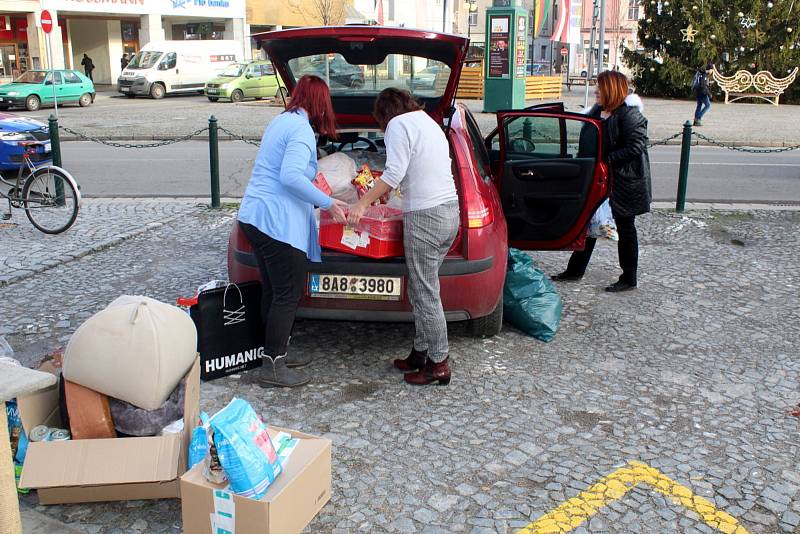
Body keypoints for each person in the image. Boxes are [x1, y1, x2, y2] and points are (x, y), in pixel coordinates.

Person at [237, 75, 347, 388]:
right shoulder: (301, 130)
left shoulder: (281, 121)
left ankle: (275, 352)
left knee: (273, 290)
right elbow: (290, 177)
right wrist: (328, 203)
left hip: (255, 216)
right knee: (287, 293)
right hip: (277, 223)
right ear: (320, 102)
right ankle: (273, 366)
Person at [348, 88, 460, 386]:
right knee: (423, 290)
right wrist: (384, 189)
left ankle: (439, 363)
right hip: (450, 212)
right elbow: (411, 171)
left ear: (384, 114)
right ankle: (419, 353)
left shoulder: (398, 125)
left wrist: (362, 203)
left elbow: (395, 173)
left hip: (425, 217)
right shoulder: (427, 121)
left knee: (425, 294)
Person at [553, 70, 651, 293]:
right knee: (589, 223)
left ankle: (629, 277)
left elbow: (636, 147)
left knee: (626, 229)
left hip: (624, 181)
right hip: (599, 178)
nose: (596, 90)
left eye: (600, 87)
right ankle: (575, 271)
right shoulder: (598, 111)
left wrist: (606, 160)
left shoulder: (629, 115)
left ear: (612, 90)